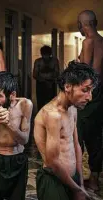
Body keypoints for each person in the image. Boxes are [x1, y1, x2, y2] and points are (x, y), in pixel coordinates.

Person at [34, 61, 98, 200]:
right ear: (68, 86)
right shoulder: (52, 115)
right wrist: (77, 190)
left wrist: (80, 183)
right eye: (85, 90)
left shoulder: (73, 109)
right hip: (54, 180)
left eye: (91, 91)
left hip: (73, 179)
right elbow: (53, 162)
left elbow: (77, 146)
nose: (90, 97)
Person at [0, 71, 33, 200]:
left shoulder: (25, 105)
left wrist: (9, 123)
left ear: (12, 95)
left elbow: (25, 140)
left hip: (17, 159)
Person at [77, 10, 103, 191]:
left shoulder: (88, 42)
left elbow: (86, 75)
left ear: (82, 24)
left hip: (90, 94)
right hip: (101, 95)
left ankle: (77, 181)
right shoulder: (102, 40)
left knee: (79, 136)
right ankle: (94, 178)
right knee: (97, 137)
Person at [33, 45, 60, 111]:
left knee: (51, 102)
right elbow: (35, 74)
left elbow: (57, 73)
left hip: (51, 84)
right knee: (40, 102)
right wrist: (43, 80)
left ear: (50, 54)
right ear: (41, 54)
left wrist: (49, 80)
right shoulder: (38, 61)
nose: (45, 57)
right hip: (41, 84)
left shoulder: (54, 61)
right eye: (44, 55)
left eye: (47, 55)